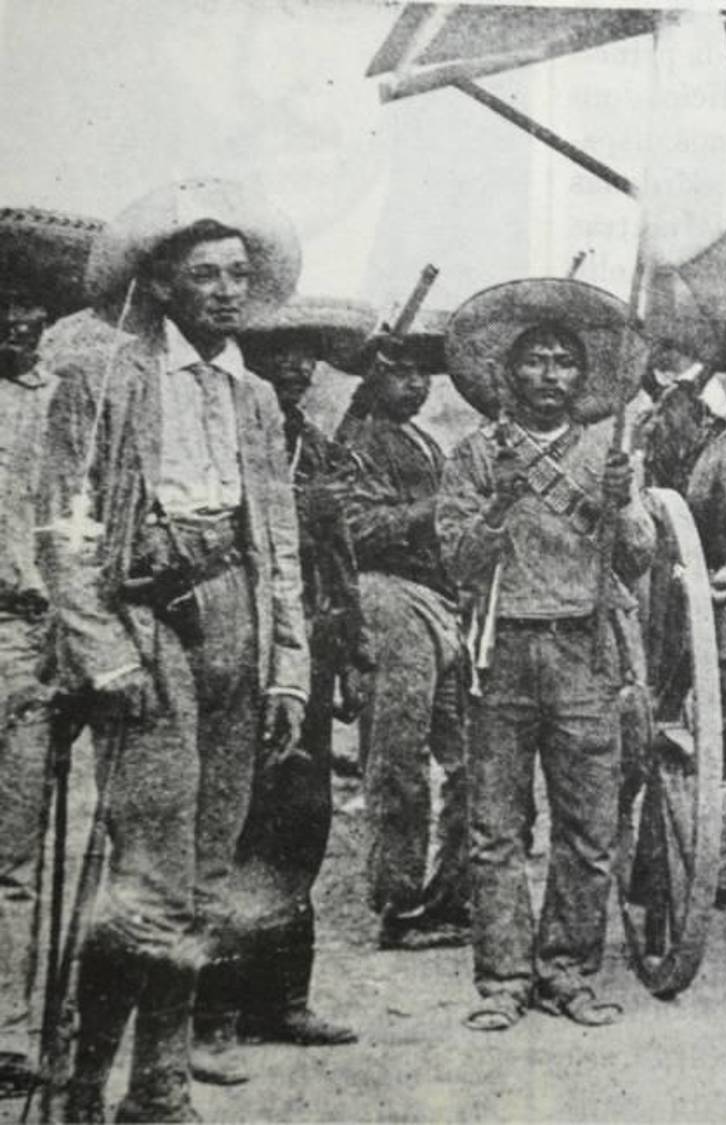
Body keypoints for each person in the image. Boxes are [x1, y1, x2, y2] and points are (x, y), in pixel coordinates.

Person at [35, 178, 308, 1120]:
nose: (227, 291)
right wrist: (98, 650)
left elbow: (278, 542)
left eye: (238, 274)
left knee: (204, 882)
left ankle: (156, 1093)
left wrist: (291, 669)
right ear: (159, 285)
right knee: (146, 880)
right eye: (205, 275)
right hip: (147, 631)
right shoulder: (105, 380)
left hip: (237, 622)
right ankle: (79, 1089)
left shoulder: (257, 397)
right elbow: (64, 533)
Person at [437, 278, 652, 1032]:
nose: (551, 375)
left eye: (565, 361)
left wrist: (623, 502)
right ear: (508, 373)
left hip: (583, 652)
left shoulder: (610, 456)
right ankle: (502, 980)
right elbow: (458, 562)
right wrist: (498, 501)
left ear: (583, 375)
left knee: (588, 829)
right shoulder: (472, 457)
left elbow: (637, 560)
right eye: (536, 361)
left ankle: (568, 972)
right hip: (501, 655)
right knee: (496, 829)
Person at [226, 297, 380, 1050]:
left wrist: (350, 650)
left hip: (309, 653)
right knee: (230, 825)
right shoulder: (223, 431)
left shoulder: (315, 446)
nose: (292, 365)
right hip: (235, 648)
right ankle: (211, 1012)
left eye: (305, 353)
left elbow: (339, 557)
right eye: (276, 351)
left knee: (300, 821)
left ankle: (283, 999)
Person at [0, 205, 102, 1099]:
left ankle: (9, 1032)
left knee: (18, 851)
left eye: (29, 303)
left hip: (27, 639)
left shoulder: (66, 402)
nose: (14, 318)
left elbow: (78, 534)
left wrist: (75, 641)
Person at [338, 321, 470, 951]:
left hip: (437, 602)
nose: (415, 385)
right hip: (386, 597)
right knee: (398, 759)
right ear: (373, 376)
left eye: (422, 374)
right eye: (401, 373)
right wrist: (436, 511)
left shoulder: (420, 441)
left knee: (469, 756)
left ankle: (451, 896)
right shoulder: (357, 439)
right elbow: (356, 529)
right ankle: (397, 902)